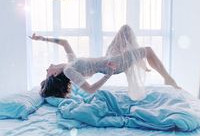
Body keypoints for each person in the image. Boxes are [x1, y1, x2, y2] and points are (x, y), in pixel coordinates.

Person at [29, 25, 180, 98]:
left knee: (125, 30)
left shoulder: (70, 63)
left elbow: (64, 42)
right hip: (112, 64)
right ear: (54, 75)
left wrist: (42, 38)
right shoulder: (69, 71)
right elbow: (90, 89)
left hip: (108, 57)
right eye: (46, 73)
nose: (46, 69)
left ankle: (137, 60)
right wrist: (109, 74)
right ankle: (167, 78)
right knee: (147, 50)